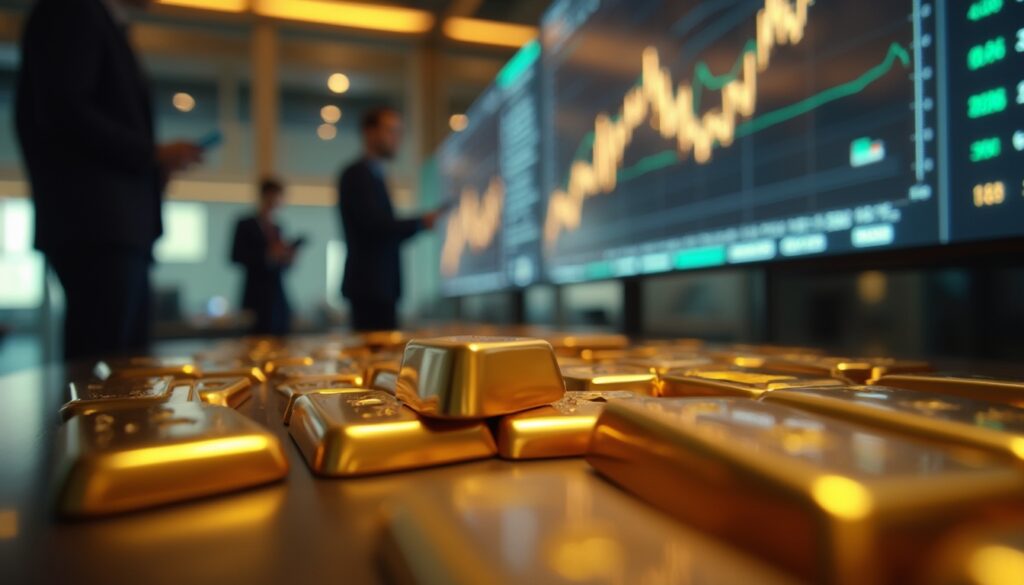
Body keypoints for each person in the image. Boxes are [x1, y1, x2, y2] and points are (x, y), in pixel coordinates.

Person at [15, 0, 203, 361]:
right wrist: (149, 154)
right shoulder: (72, 10)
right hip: (97, 224)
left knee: (119, 364)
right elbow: (65, 110)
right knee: (104, 367)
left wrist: (151, 167)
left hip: (110, 225)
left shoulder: (96, 19)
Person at [337, 107, 441, 331]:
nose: (397, 138)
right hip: (370, 288)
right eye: (391, 131)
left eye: (400, 132)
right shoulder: (357, 175)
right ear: (369, 132)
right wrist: (421, 222)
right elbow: (375, 227)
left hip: (379, 288)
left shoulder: (375, 175)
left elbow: (382, 231)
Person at [231, 178, 301, 336]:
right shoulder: (245, 224)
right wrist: (267, 255)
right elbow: (236, 256)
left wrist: (287, 258)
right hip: (255, 295)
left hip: (277, 295)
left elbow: (281, 267)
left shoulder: (278, 228)